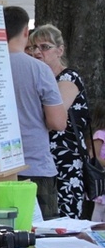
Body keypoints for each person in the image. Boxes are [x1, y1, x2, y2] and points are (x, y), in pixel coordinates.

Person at [3, 7, 67, 219]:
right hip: (35, 166)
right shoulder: (39, 69)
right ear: (25, 32)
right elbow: (58, 122)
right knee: (44, 241)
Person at [27, 24, 90, 219]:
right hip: (42, 161)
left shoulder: (68, 78)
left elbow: (55, 116)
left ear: (60, 50)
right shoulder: (38, 78)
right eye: (32, 47)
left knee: (65, 221)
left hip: (65, 162)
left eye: (45, 47)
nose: (37, 52)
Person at [91, 100, 105, 222]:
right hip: (102, 176)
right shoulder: (99, 135)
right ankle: (95, 230)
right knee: (100, 208)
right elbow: (94, 156)